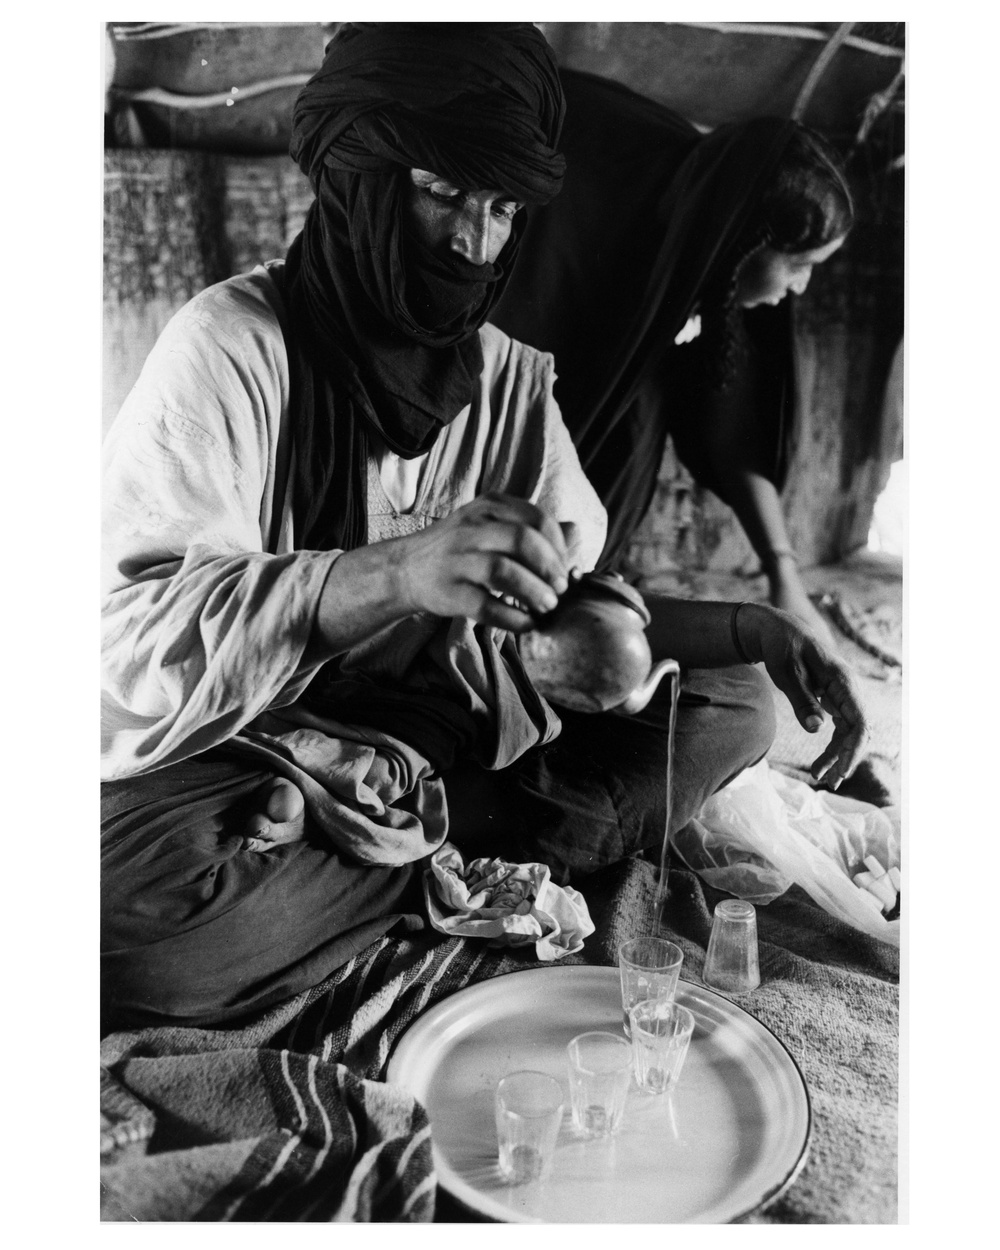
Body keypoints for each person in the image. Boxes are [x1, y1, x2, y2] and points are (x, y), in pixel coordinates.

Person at [101, 24, 868, 1033]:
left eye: (502, 205)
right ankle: (425, 839)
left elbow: (565, 621)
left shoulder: (504, 376)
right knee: (116, 911)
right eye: (442, 188)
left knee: (736, 707)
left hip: (444, 730)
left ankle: (414, 827)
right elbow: (132, 643)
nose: (472, 240)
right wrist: (388, 576)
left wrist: (752, 629)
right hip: (263, 738)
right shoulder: (233, 350)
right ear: (359, 176)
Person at [493, 69, 855, 645]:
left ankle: (569, 587)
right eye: (801, 265)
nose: (803, 288)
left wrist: (785, 579)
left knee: (642, 405)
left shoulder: (719, 234)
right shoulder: (597, 239)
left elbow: (731, 423)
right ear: (750, 243)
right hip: (509, 428)